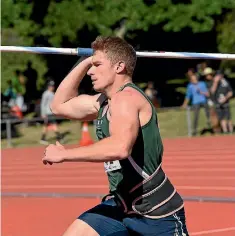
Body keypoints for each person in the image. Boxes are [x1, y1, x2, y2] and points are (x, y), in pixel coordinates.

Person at [42, 36, 189, 235]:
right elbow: (58, 105)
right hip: (121, 207)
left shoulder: (128, 98)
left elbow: (120, 147)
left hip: (157, 214)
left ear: (119, 66)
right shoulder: (103, 102)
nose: (90, 72)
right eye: (91, 66)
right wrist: (87, 60)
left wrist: (65, 154)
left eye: (97, 65)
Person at [40, 80, 63, 145]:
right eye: (50, 86)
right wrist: (43, 113)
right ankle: (59, 137)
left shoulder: (53, 93)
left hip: (51, 112)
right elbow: (43, 104)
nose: (52, 87)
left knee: (46, 126)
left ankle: (42, 138)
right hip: (48, 113)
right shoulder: (46, 94)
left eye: (53, 86)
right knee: (53, 125)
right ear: (48, 86)